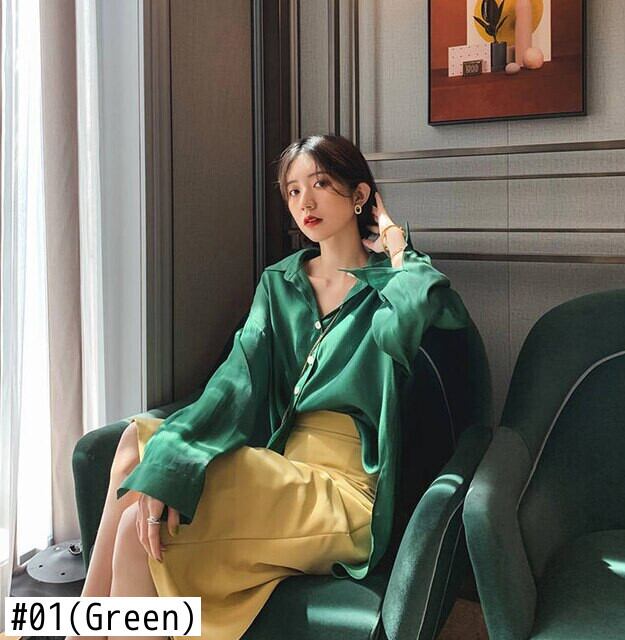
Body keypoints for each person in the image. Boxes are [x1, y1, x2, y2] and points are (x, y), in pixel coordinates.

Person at [71, 134, 468, 640]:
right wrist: (173, 457)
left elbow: (424, 309)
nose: (306, 202)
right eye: (294, 190)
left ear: (360, 195)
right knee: (135, 443)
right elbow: (235, 381)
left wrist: (393, 243)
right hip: (281, 464)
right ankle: (83, 626)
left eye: (320, 184)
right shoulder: (279, 282)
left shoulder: (389, 285)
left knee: (141, 530)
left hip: (344, 491)